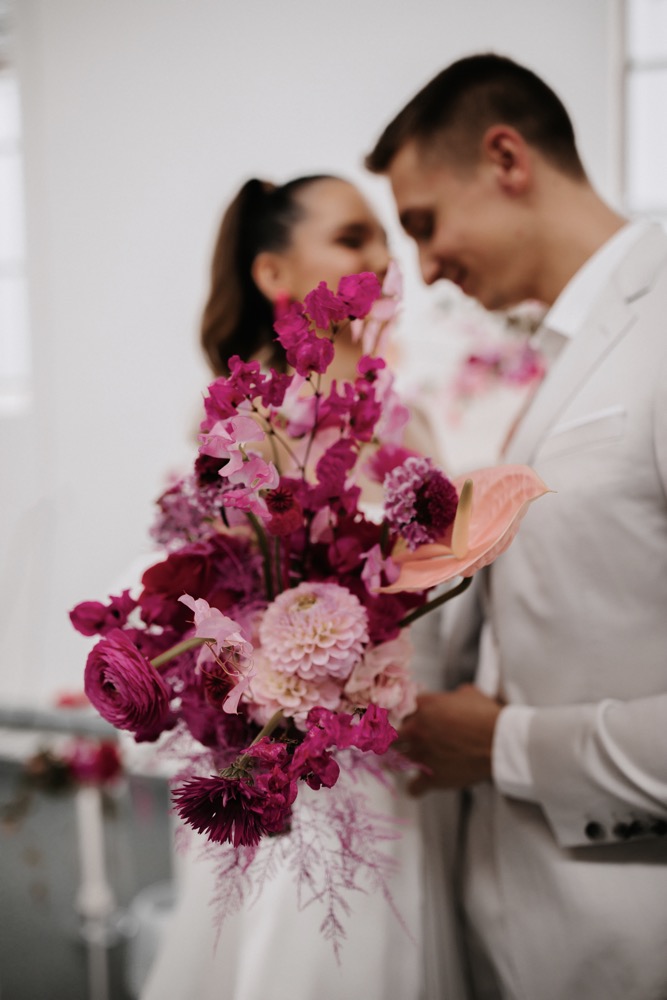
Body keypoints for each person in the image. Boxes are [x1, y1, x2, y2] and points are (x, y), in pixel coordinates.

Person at [365, 52, 667, 1000]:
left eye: (423, 223)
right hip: (513, 932)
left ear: (505, 159)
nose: (424, 267)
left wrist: (499, 748)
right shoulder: (552, 358)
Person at [140, 174, 468, 1000]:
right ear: (274, 274)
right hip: (312, 786)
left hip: (416, 765)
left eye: (383, 239)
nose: (381, 257)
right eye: (352, 237)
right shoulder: (245, 431)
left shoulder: (411, 419)